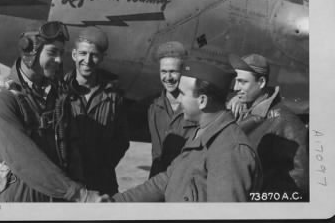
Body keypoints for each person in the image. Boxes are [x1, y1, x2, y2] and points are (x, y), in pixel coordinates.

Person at [0, 21, 102, 202]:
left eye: (61, 53)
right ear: (30, 52)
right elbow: (23, 159)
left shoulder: (56, 98)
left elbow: (71, 151)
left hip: (55, 199)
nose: (59, 60)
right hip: (17, 204)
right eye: (52, 53)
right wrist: (79, 195)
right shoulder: (1, 99)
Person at [109, 61, 261, 202]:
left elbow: (223, 215)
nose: (179, 99)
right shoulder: (203, 132)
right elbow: (168, 179)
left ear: (202, 101)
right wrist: (115, 202)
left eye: (182, 93)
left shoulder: (230, 151)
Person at [228, 53, 309, 200]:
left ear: (261, 82)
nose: (235, 88)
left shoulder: (286, 122)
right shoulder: (240, 109)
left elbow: (300, 182)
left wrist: (258, 200)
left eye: (242, 82)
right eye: (235, 81)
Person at [64, 27, 129, 195]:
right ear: (74, 55)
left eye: (94, 54)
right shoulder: (60, 92)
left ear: (102, 58)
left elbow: (121, 140)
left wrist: (103, 166)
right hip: (68, 184)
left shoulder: (114, 96)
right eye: (83, 53)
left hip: (102, 182)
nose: (87, 60)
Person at [147, 41, 196, 178]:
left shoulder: (196, 106)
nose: (168, 78)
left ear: (183, 72)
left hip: (185, 182)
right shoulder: (153, 106)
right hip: (157, 180)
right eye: (163, 71)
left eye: (173, 72)